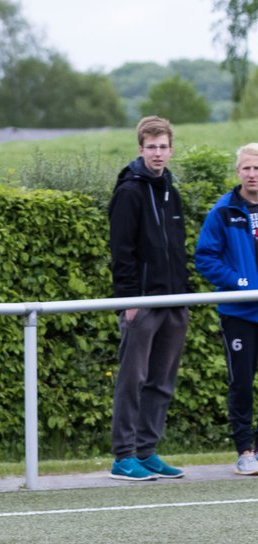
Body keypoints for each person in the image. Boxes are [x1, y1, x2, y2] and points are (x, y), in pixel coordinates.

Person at [106, 115, 190, 481]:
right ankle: (123, 457)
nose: (158, 153)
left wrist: (183, 295)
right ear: (140, 149)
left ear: (171, 150)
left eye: (163, 147)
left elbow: (177, 245)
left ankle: (147, 450)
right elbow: (121, 251)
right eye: (151, 147)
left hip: (175, 302)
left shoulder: (171, 189)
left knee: (162, 380)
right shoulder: (129, 191)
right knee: (132, 379)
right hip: (142, 303)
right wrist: (129, 300)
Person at [194, 142, 258, 475]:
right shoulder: (223, 210)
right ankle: (245, 451)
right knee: (241, 383)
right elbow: (205, 257)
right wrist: (241, 283)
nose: (252, 174)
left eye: (257, 168)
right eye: (246, 168)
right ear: (237, 172)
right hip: (239, 314)